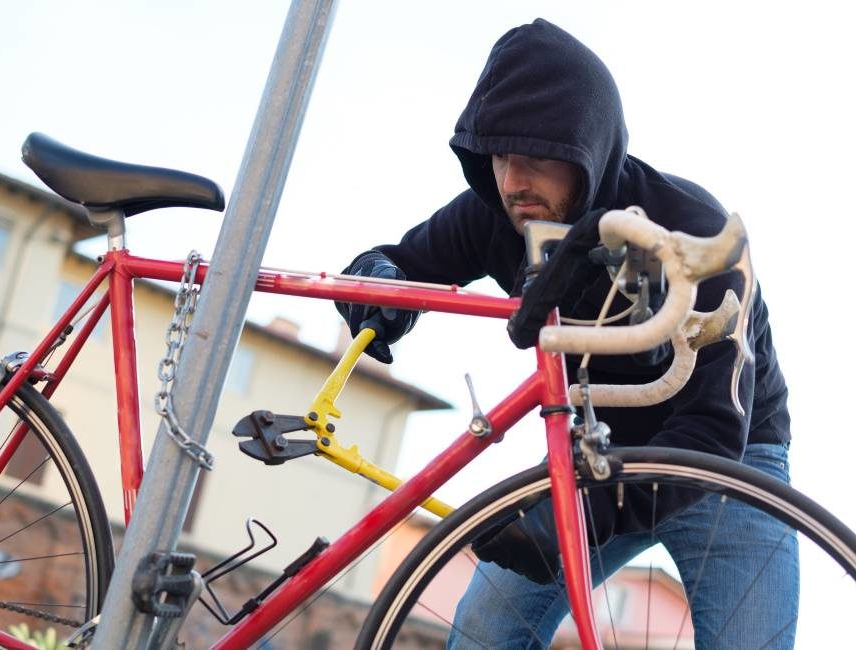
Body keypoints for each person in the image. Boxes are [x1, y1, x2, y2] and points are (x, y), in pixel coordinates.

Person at [335, 19, 795, 649]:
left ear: (589, 151)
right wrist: (377, 287)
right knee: (482, 633)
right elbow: (397, 262)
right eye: (498, 155)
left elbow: (715, 429)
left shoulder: (691, 231)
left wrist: (581, 515)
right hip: (594, 452)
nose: (512, 180)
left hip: (726, 458)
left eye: (535, 157)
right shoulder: (497, 215)